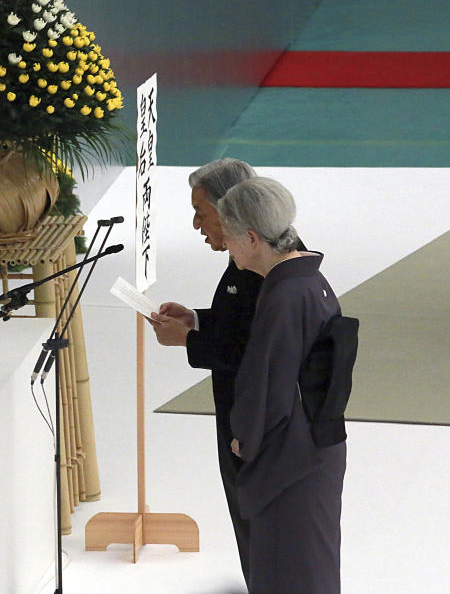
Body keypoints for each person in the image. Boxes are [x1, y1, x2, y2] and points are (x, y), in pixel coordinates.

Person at [219, 177, 346, 594]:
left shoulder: (285, 295)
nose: (227, 247)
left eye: (229, 237)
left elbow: (267, 383)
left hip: (292, 459)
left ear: (252, 238)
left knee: (286, 570)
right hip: (317, 446)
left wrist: (246, 440)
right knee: (311, 565)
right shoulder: (310, 282)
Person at [148, 157, 260, 582]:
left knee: (260, 526)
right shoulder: (243, 257)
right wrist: (196, 320)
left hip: (255, 425)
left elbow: (258, 351)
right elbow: (240, 324)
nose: (197, 225)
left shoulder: (261, 265)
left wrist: (188, 340)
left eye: (202, 213)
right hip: (237, 416)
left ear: (230, 209)